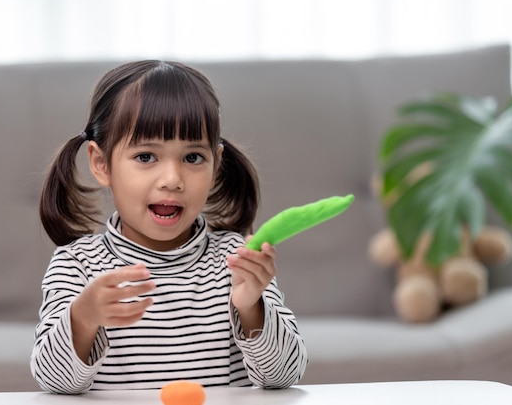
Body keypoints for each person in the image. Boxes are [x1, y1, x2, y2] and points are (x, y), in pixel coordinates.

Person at [30, 60, 308, 393]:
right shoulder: (76, 265)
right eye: (146, 156)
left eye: (193, 158)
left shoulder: (237, 259)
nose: (172, 180)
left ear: (216, 165)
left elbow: (285, 376)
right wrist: (83, 318)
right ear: (101, 164)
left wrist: (251, 307)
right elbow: (53, 382)